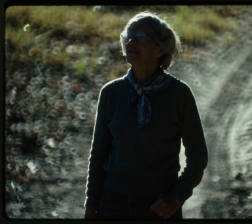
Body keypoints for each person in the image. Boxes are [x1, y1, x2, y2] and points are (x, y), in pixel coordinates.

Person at [84, 11, 208, 219]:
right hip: (113, 206)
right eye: (127, 37)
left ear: (160, 49)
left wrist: (175, 198)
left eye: (139, 38)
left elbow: (198, 156)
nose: (130, 43)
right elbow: (98, 155)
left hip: (158, 209)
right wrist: (91, 204)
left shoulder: (179, 94)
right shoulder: (111, 93)